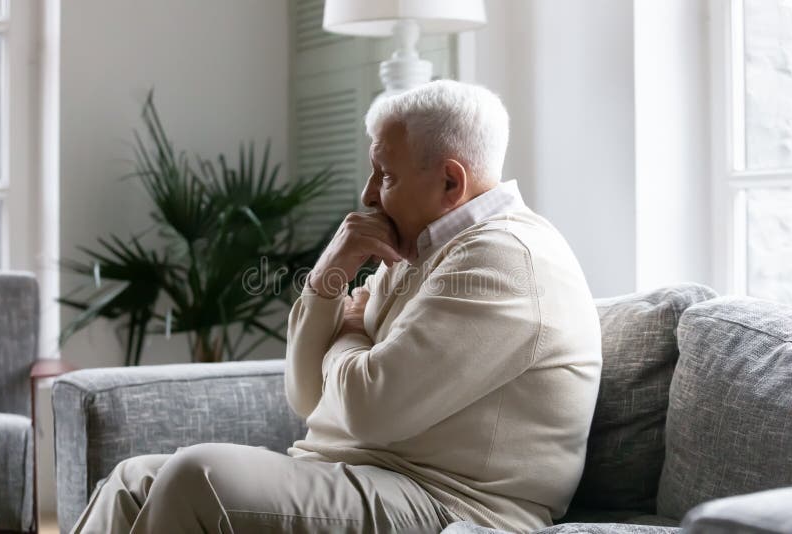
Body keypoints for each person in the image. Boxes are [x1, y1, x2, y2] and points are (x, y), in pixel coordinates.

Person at [70, 80, 602, 534]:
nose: (368, 195)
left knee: (198, 477)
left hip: (456, 505)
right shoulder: (419, 249)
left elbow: (369, 410)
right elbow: (306, 395)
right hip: (365, 474)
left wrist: (350, 334)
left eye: (385, 176)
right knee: (131, 481)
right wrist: (330, 277)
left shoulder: (502, 259)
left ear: (450, 181)